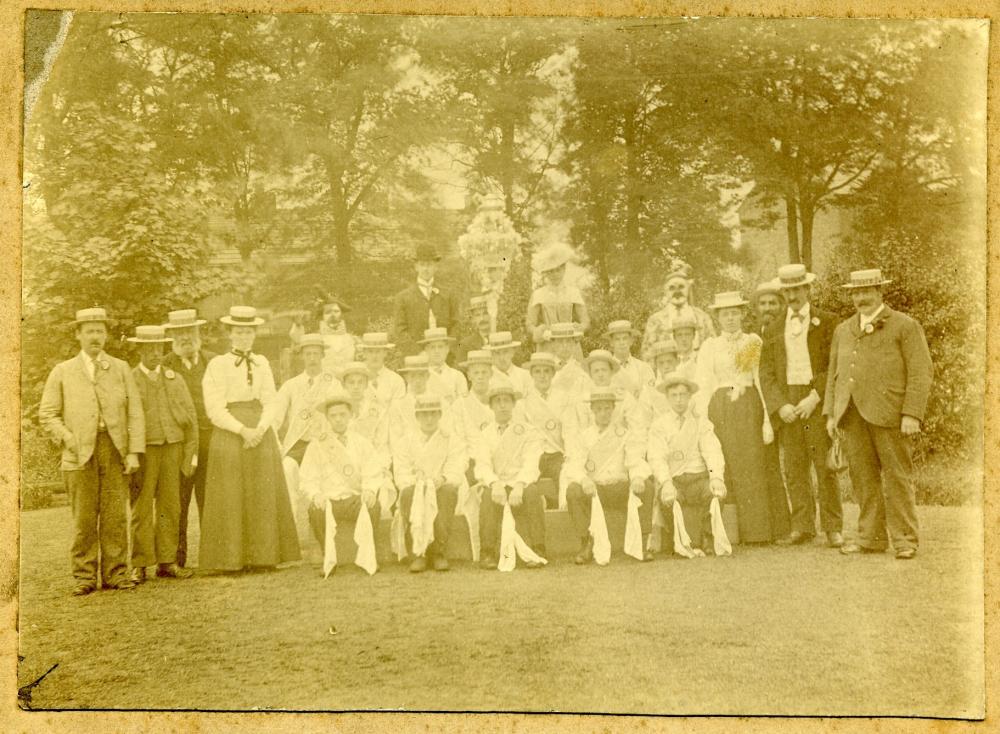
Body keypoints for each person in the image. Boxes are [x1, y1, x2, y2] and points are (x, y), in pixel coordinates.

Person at [825, 269, 933, 560]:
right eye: (856, 293)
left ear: (880, 292)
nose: (861, 297)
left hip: (891, 415)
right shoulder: (843, 329)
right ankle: (871, 538)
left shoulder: (904, 326)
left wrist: (912, 414)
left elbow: (921, 373)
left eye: (867, 291)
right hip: (851, 415)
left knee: (898, 477)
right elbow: (834, 375)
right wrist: (831, 414)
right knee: (863, 479)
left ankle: (905, 540)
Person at [39, 307, 145, 595]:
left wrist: (134, 451)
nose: (95, 337)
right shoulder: (63, 371)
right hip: (77, 454)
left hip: (114, 450)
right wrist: (68, 438)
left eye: (100, 331)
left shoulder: (120, 368)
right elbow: (47, 414)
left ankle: (116, 574)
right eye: (89, 331)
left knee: (114, 517)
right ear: (78, 335)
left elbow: (134, 411)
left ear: (106, 335)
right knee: (84, 519)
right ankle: (84, 577)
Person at [199, 306, 301, 572]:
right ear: (231, 334)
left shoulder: (262, 362)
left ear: (254, 334)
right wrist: (243, 431)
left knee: (261, 493)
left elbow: (271, 400)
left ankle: (264, 557)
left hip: (260, 432)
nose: (244, 337)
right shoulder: (217, 365)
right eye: (239, 332)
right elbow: (215, 408)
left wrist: (261, 428)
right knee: (232, 495)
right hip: (231, 435)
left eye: (248, 332)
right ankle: (232, 559)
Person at [759, 264, 841, 547]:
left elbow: (833, 365)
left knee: (824, 466)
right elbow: (766, 372)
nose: (792, 295)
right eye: (787, 290)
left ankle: (833, 527)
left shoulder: (828, 321)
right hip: (788, 403)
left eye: (797, 289)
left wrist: (814, 397)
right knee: (794, 467)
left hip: (815, 400)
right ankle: (803, 525)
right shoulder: (772, 327)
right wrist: (780, 405)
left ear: (807, 289)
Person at [696, 291, 774, 544]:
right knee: (725, 462)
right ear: (718, 317)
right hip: (720, 407)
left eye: (734, 313)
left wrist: (766, 418)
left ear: (742, 314)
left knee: (751, 465)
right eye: (725, 314)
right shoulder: (710, 346)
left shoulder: (752, 342)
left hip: (748, 404)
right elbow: (704, 383)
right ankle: (729, 532)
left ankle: (757, 532)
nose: (730, 318)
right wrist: (703, 416)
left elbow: (760, 380)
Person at [127, 325, 198, 583]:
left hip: (174, 448)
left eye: (159, 348)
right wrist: (130, 453)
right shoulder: (130, 379)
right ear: (140, 350)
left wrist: (191, 453)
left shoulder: (174, 378)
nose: (155, 353)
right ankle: (140, 564)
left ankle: (167, 562)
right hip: (144, 450)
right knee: (142, 507)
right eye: (149, 348)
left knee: (171, 505)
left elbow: (190, 419)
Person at [564, 387, 655, 564]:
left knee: (647, 486)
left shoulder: (624, 434)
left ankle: (642, 543)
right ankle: (586, 543)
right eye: (599, 409)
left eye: (607, 408)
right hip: (596, 490)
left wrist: (637, 477)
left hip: (619, 488)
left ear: (613, 410)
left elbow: (635, 459)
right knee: (573, 490)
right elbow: (574, 464)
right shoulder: (584, 437)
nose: (603, 413)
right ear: (593, 411)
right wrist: (584, 480)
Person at [298, 391, 384, 565]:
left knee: (373, 506)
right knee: (314, 510)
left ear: (351, 416)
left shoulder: (362, 442)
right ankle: (328, 557)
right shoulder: (317, 445)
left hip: (354, 500)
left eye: (342, 415)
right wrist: (316, 495)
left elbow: (372, 470)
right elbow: (308, 478)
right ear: (327, 419)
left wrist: (369, 490)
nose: (338, 419)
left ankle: (366, 556)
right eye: (333, 416)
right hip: (329, 500)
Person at [161, 308, 217, 568]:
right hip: (180, 444)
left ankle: (213, 557)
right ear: (172, 336)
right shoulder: (165, 367)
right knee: (178, 501)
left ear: (198, 333)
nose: (185, 338)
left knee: (212, 498)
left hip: (210, 439)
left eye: (190, 332)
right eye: (179, 333)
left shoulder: (213, 362)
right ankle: (175, 560)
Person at [647, 373, 727, 554]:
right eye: (674, 396)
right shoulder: (659, 425)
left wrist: (716, 477)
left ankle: (708, 536)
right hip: (675, 480)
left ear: (690, 397)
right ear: (667, 398)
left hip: (698, 479)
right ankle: (679, 538)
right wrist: (666, 482)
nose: (679, 400)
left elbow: (712, 450)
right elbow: (656, 457)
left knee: (715, 491)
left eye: (683, 395)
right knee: (667, 497)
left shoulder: (700, 422)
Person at [271, 333, 341, 539]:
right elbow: (276, 416)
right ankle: (289, 537)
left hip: (323, 443)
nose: (312, 358)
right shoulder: (291, 385)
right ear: (302, 356)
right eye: (308, 354)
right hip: (299, 445)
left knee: (327, 484)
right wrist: (274, 438)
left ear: (322, 356)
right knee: (287, 471)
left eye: (316, 354)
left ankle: (326, 536)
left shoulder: (333, 384)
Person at [473, 378, 546, 569]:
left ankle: (538, 548)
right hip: (497, 483)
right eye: (498, 401)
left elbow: (531, 462)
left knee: (532, 493)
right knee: (488, 497)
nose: (502, 405)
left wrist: (520, 485)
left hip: (520, 482)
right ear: (491, 406)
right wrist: (494, 483)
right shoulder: (483, 434)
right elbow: (482, 464)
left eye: (507, 400)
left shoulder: (528, 431)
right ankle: (487, 552)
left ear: (514, 404)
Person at [392, 395, 466, 573]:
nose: (429, 419)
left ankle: (438, 552)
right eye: (424, 415)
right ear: (416, 417)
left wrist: (443, 478)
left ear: (440, 415)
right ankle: (419, 553)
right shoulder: (405, 441)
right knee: (409, 493)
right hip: (416, 488)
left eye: (433, 414)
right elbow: (401, 473)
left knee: (448, 492)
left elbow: (458, 465)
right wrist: (418, 482)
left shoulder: (451, 439)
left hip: (440, 486)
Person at [750, 281, 792, 543]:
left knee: (793, 466)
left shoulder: (790, 330)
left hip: (787, 405)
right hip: (761, 410)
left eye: (773, 303)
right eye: (763, 304)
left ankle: (797, 525)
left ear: (781, 305)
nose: (768, 308)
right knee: (767, 466)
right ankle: (775, 525)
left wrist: (782, 402)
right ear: (756, 308)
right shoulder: (751, 337)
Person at [514, 351, 580, 509]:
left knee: (565, 475)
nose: (542, 376)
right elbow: (520, 437)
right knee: (527, 483)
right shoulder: (523, 401)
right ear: (531, 374)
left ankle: (563, 513)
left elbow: (570, 432)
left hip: (556, 454)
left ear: (553, 373)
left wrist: (570, 456)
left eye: (546, 371)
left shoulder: (564, 398)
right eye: (537, 371)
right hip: (533, 455)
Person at [392, 243, 461, 357]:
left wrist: (447, 348)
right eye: (422, 264)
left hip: (445, 356)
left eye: (429, 265)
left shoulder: (448, 294)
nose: (426, 269)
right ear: (416, 267)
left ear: (435, 267)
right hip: (417, 359)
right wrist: (418, 353)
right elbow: (400, 331)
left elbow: (456, 324)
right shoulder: (403, 298)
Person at [641, 268, 715, 361]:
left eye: (681, 287)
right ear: (665, 292)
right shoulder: (655, 320)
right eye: (671, 288)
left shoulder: (702, 317)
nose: (677, 292)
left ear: (688, 288)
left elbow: (713, 348)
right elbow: (648, 353)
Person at [526, 242, 590, 350]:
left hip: (569, 342)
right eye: (550, 272)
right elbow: (530, 323)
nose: (555, 275)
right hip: (548, 342)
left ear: (564, 269)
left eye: (558, 270)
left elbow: (585, 320)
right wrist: (538, 331)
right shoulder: (538, 294)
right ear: (545, 273)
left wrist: (581, 327)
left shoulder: (573, 292)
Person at [606, 320, 654, 399]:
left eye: (625, 338)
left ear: (631, 341)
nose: (622, 343)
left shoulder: (643, 367)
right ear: (611, 342)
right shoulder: (606, 368)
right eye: (617, 339)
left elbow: (651, 394)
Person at [358, 332, 406, 410]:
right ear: (364, 353)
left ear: (385, 353)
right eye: (370, 351)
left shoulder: (395, 380)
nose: (374, 356)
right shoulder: (355, 379)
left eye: (378, 351)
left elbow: (398, 411)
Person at [421, 327, 468, 405]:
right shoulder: (419, 376)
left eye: (440, 347)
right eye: (432, 347)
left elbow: (463, 406)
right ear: (426, 350)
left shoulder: (457, 376)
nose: (437, 351)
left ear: (447, 349)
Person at [547, 323, 590, 397]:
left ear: (574, 343)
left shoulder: (582, 371)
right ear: (552, 344)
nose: (565, 346)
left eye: (568, 341)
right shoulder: (545, 369)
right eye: (560, 341)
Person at [316, 297, 356, 375]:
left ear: (341, 314)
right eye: (328, 312)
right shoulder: (317, 340)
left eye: (336, 311)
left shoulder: (352, 340)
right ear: (322, 316)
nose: (332, 315)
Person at [488, 331, 533, 397]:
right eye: (497, 353)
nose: (501, 358)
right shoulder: (487, 377)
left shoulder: (525, 376)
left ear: (512, 352)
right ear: (491, 355)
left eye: (505, 352)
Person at [455, 295, 492, 364]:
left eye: (485, 313)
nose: (482, 319)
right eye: (477, 315)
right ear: (473, 319)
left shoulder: (504, 339)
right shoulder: (465, 345)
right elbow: (460, 371)